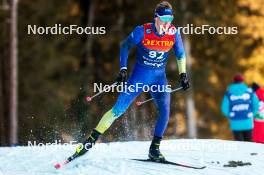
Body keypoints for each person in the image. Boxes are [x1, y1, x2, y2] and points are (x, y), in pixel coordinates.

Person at [71, 1, 189, 162]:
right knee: (118, 110)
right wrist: (123, 69)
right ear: (156, 18)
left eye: (170, 19)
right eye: (164, 19)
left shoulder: (174, 33)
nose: (167, 23)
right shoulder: (142, 31)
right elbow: (125, 46)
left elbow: (181, 55)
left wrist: (183, 74)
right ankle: (89, 142)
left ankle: (154, 149)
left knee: (165, 110)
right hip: (140, 76)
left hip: (159, 79)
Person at [221, 74, 259, 141]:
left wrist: (230, 115)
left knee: (240, 144)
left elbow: (224, 108)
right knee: (249, 143)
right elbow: (256, 105)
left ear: (233, 81)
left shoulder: (229, 93)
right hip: (248, 122)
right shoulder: (249, 91)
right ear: (242, 81)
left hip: (235, 123)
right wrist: (252, 114)